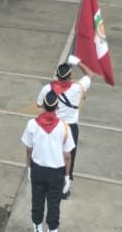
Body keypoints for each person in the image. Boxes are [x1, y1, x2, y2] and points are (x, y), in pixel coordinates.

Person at [22, 90, 75, 232]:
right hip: (56, 173)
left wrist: (30, 168)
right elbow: (67, 156)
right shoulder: (64, 127)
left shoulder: (32, 124)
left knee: (37, 203)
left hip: (38, 169)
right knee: (54, 205)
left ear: (44, 106)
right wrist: (67, 176)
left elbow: (28, 150)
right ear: (57, 106)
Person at [37, 56, 92, 197]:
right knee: (69, 156)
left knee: (53, 155)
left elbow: (40, 104)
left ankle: (50, 183)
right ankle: (65, 185)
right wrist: (78, 62)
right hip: (71, 127)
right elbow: (90, 74)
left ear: (57, 74)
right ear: (70, 76)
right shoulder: (78, 87)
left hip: (54, 126)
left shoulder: (47, 88)